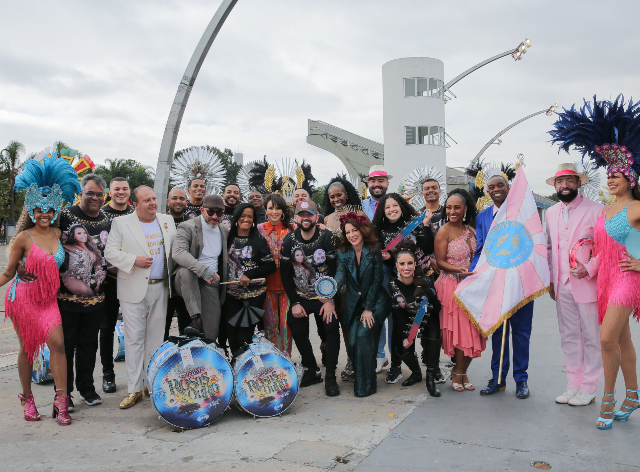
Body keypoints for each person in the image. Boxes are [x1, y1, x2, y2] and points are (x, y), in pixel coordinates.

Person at [2, 154, 80, 425]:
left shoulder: (58, 234)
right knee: (28, 349)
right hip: (23, 297)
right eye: (39, 209)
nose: (44, 213)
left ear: (55, 210)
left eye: (49, 209)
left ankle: (61, 401)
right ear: (32, 210)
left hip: (48, 300)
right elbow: (8, 272)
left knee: (57, 344)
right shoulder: (23, 237)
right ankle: (27, 398)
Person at [104, 186, 176, 409]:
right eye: (146, 200)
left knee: (155, 339)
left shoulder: (167, 221)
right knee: (134, 340)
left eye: (154, 199)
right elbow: (110, 252)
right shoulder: (121, 223)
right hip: (133, 288)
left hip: (160, 288)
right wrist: (134, 260)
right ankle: (134, 389)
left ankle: (151, 383)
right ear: (135, 205)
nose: (152, 203)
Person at [51, 174, 111, 410]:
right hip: (65, 298)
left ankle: (87, 388)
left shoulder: (107, 220)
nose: (95, 198)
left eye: (99, 194)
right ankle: (64, 394)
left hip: (96, 298)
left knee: (89, 344)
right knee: (65, 345)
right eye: (90, 193)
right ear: (81, 193)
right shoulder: (64, 215)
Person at [470, 174, 533, 399]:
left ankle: (521, 379)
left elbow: (533, 241)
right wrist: (473, 273)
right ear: (487, 191)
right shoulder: (483, 217)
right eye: (492, 187)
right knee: (498, 333)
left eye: (500, 186)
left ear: (508, 188)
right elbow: (480, 249)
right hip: (496, 284)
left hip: (522, 283)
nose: (496, 189)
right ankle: (498, 379)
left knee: (521, 333)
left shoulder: (523, 213)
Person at [545, 164, 603, 406]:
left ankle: (588, 387)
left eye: (570, 181)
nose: (565, 186)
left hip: (587, 282)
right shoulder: (550, 212)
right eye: (560, 182)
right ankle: (573, 384)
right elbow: (550, 248)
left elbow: (606, 248)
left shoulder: (597, 210)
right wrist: (550, 279)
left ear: (579, 183)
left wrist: (589, 269)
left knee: (591, 336)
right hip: (561, 283)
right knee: (569, 335)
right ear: (555, 186)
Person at [320, 212, 390, 397]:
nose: (351, 234)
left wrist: (368, 308)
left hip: (375, 302)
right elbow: (339, 278)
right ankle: (365, 374)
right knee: (351, 343)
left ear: (362, 230)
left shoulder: (374, 250)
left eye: (354, 230)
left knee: (363, 334)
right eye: (347, 231)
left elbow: (376, 281)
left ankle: (365, 386)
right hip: (354, 304)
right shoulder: (344, 253)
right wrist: (327, 296)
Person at [280, 200, 341, 396]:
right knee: (295, 324)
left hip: (325, 297)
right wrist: (295, 302)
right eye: (301, 215)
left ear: (317, 216)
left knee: (331, 327)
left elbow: (334, 270)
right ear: (296, 218)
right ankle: (312, 369)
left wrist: (331, 300)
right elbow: (285, 275)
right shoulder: (289, 241)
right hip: (302, 297)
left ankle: (330, 375)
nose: (305, 218)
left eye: (309, 214)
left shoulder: (327, 237)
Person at [372, 193, 434, 383]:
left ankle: (432, 367)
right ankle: (396, 366)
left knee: (424, 322)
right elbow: (376, 254)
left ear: (402, 206)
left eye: (395, 205)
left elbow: (428, 246)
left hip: (418, 281)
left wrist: (425, 226)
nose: (392, 209)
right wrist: (383, 255)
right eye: (387, 207)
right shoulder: (379, 230)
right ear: (382, 210)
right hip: (395, 284)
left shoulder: (414, 223)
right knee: (397, 326)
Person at [434, 189, 485, 392]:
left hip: (472, 288)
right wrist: (458, 271)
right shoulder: (443, 231)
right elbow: (440, 262)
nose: (452, 211)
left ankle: (462, 373)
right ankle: (457, 371)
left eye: (457, 207)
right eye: (449, 207)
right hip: (451, 286)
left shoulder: (472, 230)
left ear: (465, 209)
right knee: (460, 334)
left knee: (473, 333)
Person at [170, 195, 229, 341]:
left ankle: (206, 359)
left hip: (211, 282)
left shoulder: (224, 231)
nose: (215, 216)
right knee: (186, 271)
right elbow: (178, 252)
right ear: (202, 210)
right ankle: (195, 319)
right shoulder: (187, 227)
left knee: (210, 334)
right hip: (186, 279)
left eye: (219, 213)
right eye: (211, 212)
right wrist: (203, 270)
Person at [388, 241, 442, 395]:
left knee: (433, 339)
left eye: (410, 263)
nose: (406, 267)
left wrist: (432, 296)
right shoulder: (393, 284)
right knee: (401, 348)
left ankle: (431, 378)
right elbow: (398, 314)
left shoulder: (426, 281)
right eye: (402, 264)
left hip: (429, 319)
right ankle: (416, 373)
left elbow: (437, 309)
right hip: (408, 320)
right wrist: (406, 337)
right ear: (397, 265)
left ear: (415, 264)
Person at [224, 203, 276, 354]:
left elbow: (270, 265)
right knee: (231, 335)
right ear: (237, 217)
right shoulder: (227, 238)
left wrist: (250, 274)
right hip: (231, 295)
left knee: (244, 336)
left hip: (253, 296)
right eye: (243, 215)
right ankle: (235, 366)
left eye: (250, 216)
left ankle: (244, 367)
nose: (246, 219)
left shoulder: (258, 239)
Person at [99, 177, 134, 394]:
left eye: (125, 189)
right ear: (109, 192)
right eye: (117, 189)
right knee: (107, 327)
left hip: (133, 278)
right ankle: (107, 373)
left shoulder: (136, 212)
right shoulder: (101, 215)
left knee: (135, 328)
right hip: (109, 281)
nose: (121, 192)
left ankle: (137, 374)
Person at [417, 178, 447, 382]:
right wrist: (430, 260)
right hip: (425, 272)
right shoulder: (416, 215)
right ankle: (429, 355)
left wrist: (441, 260)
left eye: (433, 188)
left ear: (439, 190)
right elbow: (415, 242)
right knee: (428, 317)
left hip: (448, 270)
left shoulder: (448, 211)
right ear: (422, 192)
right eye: (426, 189)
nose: (430, 191)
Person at [258, 194, 294, 354]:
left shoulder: (293, 229)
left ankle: (286, 359)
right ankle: (273, 360)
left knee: (286, 325)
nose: (274, 211)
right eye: (271, 207)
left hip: (288, 285)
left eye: (278, 208)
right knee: (270, 326)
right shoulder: (258, 229)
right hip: (266, 286)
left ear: (283, 210)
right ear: (265, 210)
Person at [164, 187, 191, 339]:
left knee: (186, 325)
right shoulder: (159, 222)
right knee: (162, 326)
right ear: (168, 201)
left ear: (186, 202)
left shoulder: (192, 224)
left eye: (182, 198)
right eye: (174, 198)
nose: (178, 201)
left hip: (185, 282)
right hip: (164, 282)